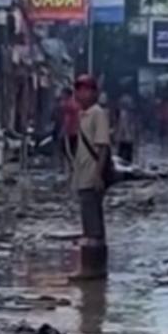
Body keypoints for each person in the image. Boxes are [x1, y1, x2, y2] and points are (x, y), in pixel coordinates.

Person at [72, 72, 111, 277]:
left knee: (93, 226)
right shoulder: (83, 115)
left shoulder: (98, 113)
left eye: (85, 89)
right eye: (78, 89)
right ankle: (93, 268)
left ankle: (92, 269)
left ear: (93, 92)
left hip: (92, 176)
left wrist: (97, 175)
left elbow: (102, 146)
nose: (80, 94)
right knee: (88, 223)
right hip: (83, 176)